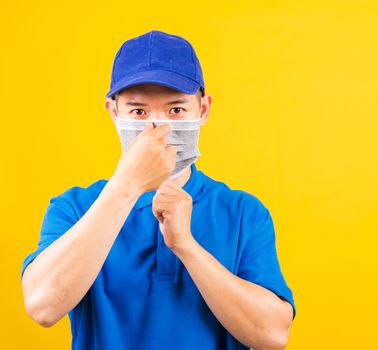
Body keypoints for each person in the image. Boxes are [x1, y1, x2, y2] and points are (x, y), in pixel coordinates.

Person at [21, 30, 296, 350]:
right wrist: (126, 187)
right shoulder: (74, 208)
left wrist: (186, 245)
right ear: (114, 112)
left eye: (175, 110)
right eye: (138, 111)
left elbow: (273, 336)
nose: (158, 126)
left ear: (203, 110)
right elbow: (42, 306)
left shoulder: (242, 212)